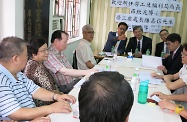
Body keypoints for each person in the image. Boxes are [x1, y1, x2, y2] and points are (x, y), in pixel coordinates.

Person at [0, 36, 76, 121]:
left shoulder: (17, 73)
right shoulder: (2, 81)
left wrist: (56, 96)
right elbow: (16, 113)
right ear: (16, 58)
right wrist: (51, 108)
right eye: (26, 55)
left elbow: (35, 90)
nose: (28, 58)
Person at [151, 43, 187, 122]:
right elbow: (174, 76)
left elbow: (171, 86)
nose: (182, 56)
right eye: (182, 53)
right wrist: (162, 76)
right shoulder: (185, 66)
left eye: (185, 54)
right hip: (180, 103)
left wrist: (174, 106)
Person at [24, 37, 60, 107]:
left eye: (47, 49)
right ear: (33, 54)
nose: (47, 52)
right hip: (43, 105)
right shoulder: (34, 66)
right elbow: (49, 88)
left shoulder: (37, 63)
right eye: (43, 51)